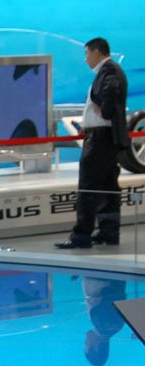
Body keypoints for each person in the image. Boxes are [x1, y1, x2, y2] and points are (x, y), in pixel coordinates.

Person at [55, 37, 130, 249]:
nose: (86, 59)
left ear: (97, 52)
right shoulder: (107, 72)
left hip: (101, 139)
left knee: (88, 187)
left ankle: (81, 235)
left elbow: (109, 105)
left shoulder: (110, 72)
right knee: (107, 187)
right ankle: (108, 231)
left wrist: (102, 110)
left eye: (87, 53)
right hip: (103, 137)